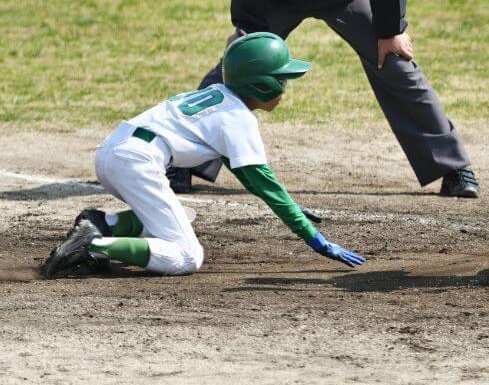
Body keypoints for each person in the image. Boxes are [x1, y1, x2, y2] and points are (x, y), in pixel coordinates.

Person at [167, 0, 480, 198]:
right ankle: (182, 161)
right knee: (238, 68)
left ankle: (453, 167)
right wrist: (247, 29)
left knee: (396, 63)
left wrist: (391, 30)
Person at [41, 33, 365, 278]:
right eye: (281, 79)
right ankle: (92, 246)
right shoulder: (238, 119)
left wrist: (288, 205)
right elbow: (263, 183)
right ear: (261, 84)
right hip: (137, 164)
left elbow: (247, 175)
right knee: (186, 256)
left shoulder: (218, 96)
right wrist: (315, 240)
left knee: (183, 218)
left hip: (115, 152)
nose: (284, 87)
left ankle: (102, 225)